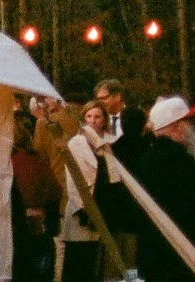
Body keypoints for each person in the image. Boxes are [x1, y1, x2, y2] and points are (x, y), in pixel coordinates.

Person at [135, 96, 195, 282]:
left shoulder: (144, 161)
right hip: (185, 262)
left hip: (153, 260)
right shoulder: (185, 164)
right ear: (177, 127)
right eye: (189, 121)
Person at [63, 100, 116, 282]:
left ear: (104, 120)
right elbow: (72, 180)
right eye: (89, 117)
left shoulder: (110, 143)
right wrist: (84, 208)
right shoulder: (75, 143)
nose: (93, 121)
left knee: (101, 263)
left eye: (97, 117)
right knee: (80, 263)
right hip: (82, 211)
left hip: (105, 205)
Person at [14, 104, 62, 282]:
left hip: (20, 232)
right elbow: (54, 193)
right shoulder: (38, 161)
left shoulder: (11, 163)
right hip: (39, 231)